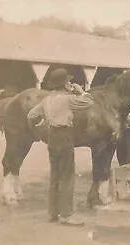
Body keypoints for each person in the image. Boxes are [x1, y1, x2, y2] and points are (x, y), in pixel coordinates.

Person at [27, 68, 93, 227]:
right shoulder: (68, 99)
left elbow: (31, 115)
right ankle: (67, 215)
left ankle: (53, 213)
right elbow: (89, 102)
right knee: (67, 177)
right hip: (65, 137)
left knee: (55, 175)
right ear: (64, 84)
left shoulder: (46, 100)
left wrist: (37, 130)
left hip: (52, 137)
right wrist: (80, 90)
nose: (71, 84)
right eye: (68, 81)